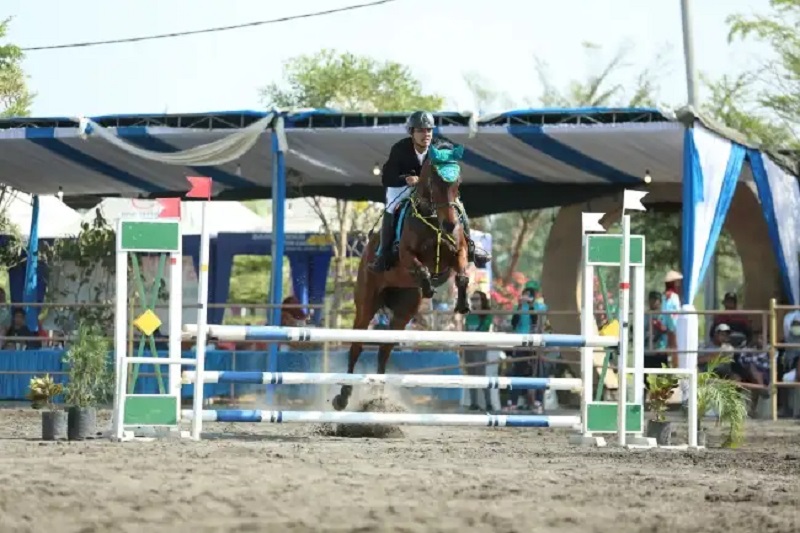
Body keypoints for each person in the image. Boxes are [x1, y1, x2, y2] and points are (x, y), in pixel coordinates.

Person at [369, 110, 490, 272]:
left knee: (458, 205)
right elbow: (387, 177)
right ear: (412, 132)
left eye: (429, 130)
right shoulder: (400, 149)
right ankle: (384, 252)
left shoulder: (439, 145)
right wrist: (405, 179)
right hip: (403, 186)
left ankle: (471, 248)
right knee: (392, 207)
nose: (426, 134)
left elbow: (450, 155)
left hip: (432, 188)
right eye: (420, 130)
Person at [506, 281, 548, 412]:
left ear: (536, 294)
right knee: (517, 371)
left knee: (538, 372)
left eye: (531, 293)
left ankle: (537, 402)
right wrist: (519, 307)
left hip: (535, 344)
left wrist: (530, 307)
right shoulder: (519, 307)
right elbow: (514, 323)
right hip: (520, 343)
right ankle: (514, 401)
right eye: (526, 292)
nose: (528, 295)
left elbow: (537, 322)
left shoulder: (541, 307)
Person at [462, 291, 493, 411]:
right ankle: (473, 402)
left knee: (481, 375)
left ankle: (488, 403)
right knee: (471, 374)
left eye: (477, 299)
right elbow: (466, 329)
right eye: (472, 299)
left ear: (482, 300)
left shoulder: (486, 314)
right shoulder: (469, 314)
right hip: (469, 347)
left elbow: (484, 328)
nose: (474, 301)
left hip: (479, 347)